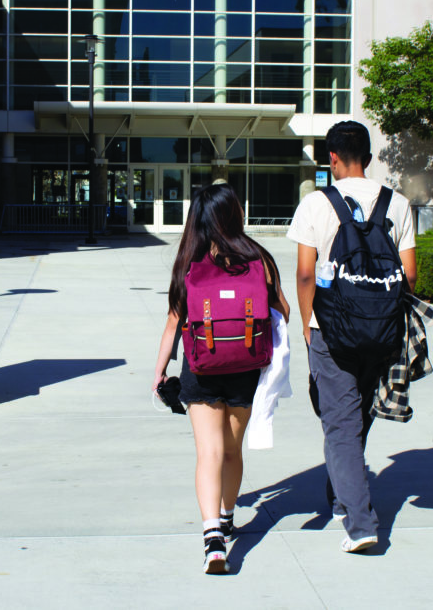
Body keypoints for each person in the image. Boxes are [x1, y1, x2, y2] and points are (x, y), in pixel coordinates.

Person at [286, 121, 417, 554]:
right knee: (357, 416)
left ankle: (360, 523)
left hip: (331, 330)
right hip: (382, 332)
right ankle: (343, 489)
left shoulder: (315, 204)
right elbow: (410, 277)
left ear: (333, 159)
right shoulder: (397, 204)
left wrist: (308, 325)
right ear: (370, 156)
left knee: (340, 421)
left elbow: (306, 273)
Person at [153, 184, 290, 574]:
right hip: (246, 369)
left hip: (201, 368)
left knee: (208, 454)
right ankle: (228, 516)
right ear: (235, 215)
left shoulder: (189, 261)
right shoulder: (258, 258)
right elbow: (283, 312)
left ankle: (213, 537)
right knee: (232, 451)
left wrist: (160, 371)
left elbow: (171, 326)